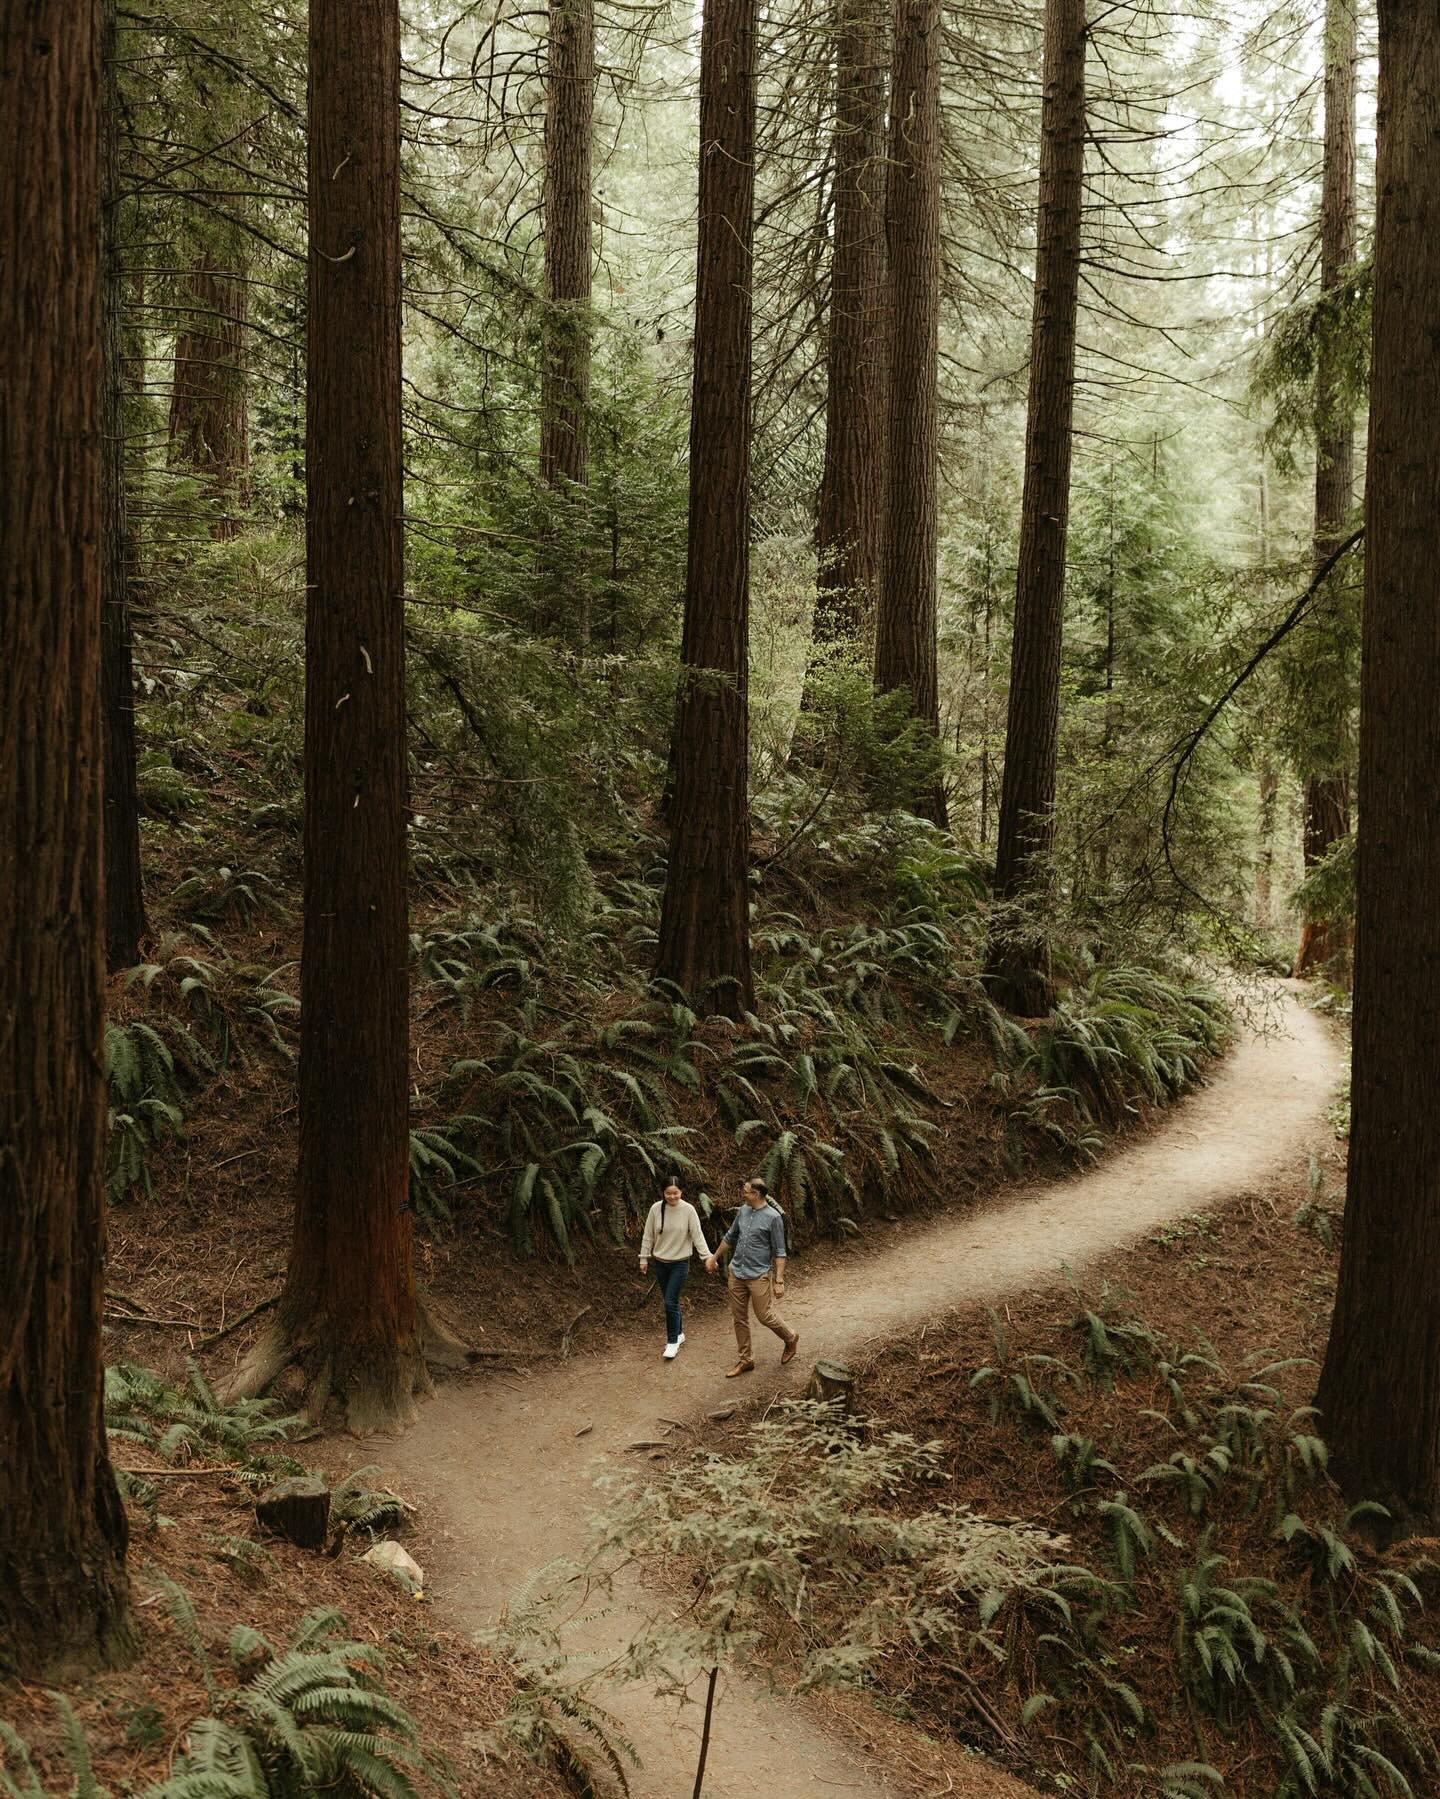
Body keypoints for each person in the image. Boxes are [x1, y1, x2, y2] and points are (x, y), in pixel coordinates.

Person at [705, 1177, 800, 1377]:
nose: (743, 1192)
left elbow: (780, 1251)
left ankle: (790, 1337)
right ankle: (746, 1360)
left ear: (756, 1194)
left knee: (764, 1315)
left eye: (746, 1190)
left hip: (758, 1275)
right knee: (739, 1318)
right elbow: (730, 1236)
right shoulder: (743, 1210)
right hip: (737, 1272)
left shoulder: (773, 1217)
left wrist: (779, 1281)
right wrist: (714, 1258)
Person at [639, 1175, 711, 1359]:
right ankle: (679, 1334)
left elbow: (697, 1236)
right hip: (660, 1263)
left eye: (675, 1193)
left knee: (669, 1301)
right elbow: (648, 1235)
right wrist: (644, 1258)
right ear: (663, 1193)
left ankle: (672, 1342)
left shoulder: (688, 1210)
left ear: (681, 1192)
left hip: (680, 1263)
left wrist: (707, 1257)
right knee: (671, 1300)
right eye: (668, 1193)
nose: (672, 1197)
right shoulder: (656, 1209)